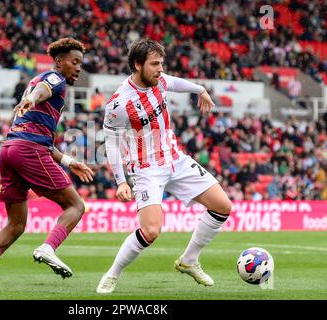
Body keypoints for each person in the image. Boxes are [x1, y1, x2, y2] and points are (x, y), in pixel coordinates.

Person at [96, 39, 233, 294]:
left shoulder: (159, 80)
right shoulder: (118, 104)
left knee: (223, 206)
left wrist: (199, 89)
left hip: (175, 159)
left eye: (162, 63)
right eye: (154, 64)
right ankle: (112, 275)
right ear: (137, 65)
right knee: (151, 231)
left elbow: (176, 82)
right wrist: (121, 181)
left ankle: (189, 260)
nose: (160, 69)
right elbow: (112, 144)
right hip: (146, 169)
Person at [0, 38, 94, 285]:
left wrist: (68, 161)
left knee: (16, 223)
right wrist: (33, 98)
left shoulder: (37, 81)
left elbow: (42, 135)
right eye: (74, 62)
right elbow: (44, 88)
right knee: (76, 206)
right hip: (29, 151)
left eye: (81, 63)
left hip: (10, 149)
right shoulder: (56, 79)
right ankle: (48, 248)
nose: (78, 67)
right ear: (59, 61)